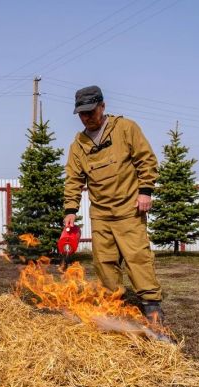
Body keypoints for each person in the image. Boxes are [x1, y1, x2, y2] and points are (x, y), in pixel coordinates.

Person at [63, 85, 164, 323]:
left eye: (91, 111)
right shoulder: (78, 145)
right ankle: (113, 307)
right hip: (100, 214)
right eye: (82, 114)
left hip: (129, 209)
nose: (86, 118)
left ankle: (152, 308)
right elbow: (73, 178)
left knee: (137, 258)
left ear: (103, 106)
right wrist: (70, 209)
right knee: (104, 262)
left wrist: (145, 191)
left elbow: (146, 160)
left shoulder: (125, 128)